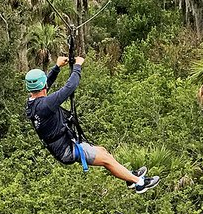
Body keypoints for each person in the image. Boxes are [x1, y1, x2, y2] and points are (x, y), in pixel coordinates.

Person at [25, 55, 159, 193]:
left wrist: (57, 68)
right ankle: (139, 183)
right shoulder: (46, 105)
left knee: (103, 151)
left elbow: (45, 85)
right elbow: (70, 86)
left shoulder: (32, 103)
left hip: (62, 145)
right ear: (43, 85)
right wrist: (77, 66)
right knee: (106, 160)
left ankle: (129, 177)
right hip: (67, 149)